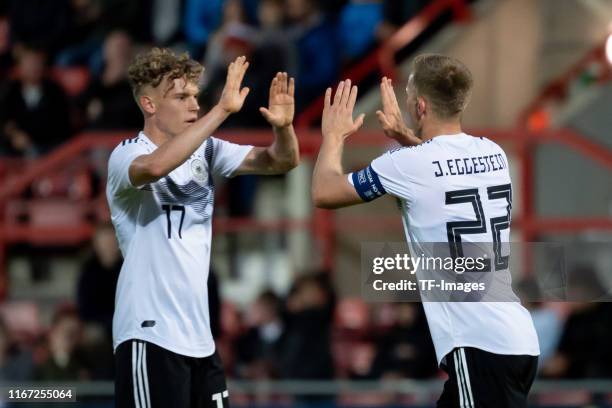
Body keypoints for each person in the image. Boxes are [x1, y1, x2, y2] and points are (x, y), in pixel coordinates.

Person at [312, 54, 540, 407]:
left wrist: (333, 136)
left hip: (477, 344)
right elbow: (444, 175)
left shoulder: (407, 164)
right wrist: (407, 140)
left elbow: (324, 192)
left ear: (419, 106)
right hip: (515, 338)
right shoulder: (494, 154)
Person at [106, 48, 299, 408]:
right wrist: (222, 110)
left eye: (196, 95)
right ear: (149, 104)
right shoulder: (126, 155)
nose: (194, 105)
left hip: (199, 339)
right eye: (181, 97)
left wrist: (283, 128)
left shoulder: (206, 150)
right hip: (150, 334)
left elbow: (282, 160)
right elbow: (154, 166)